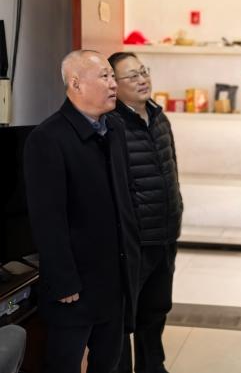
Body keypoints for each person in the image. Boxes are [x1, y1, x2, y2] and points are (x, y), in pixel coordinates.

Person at [23, 50, 140, 373]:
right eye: (104, 76)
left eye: (112, 76)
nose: (113, 83)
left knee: (109, 363)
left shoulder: (115, 128)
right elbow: (48, 219)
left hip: (114, 280)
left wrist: (133, 258)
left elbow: (127, 196)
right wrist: (64, 282)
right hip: (74, 287)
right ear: (75, 83)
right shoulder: (48, 138)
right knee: (64, 364)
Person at [108, 52, 183, 373]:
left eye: (144, 72)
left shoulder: (159, 116)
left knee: (156, 309)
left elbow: (172, 169)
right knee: (125, 315)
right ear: (114, 84)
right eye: (132, 76)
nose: (142, 80)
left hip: (164, 235)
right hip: (133, 241)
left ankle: (153, 367)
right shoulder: (111, 125)